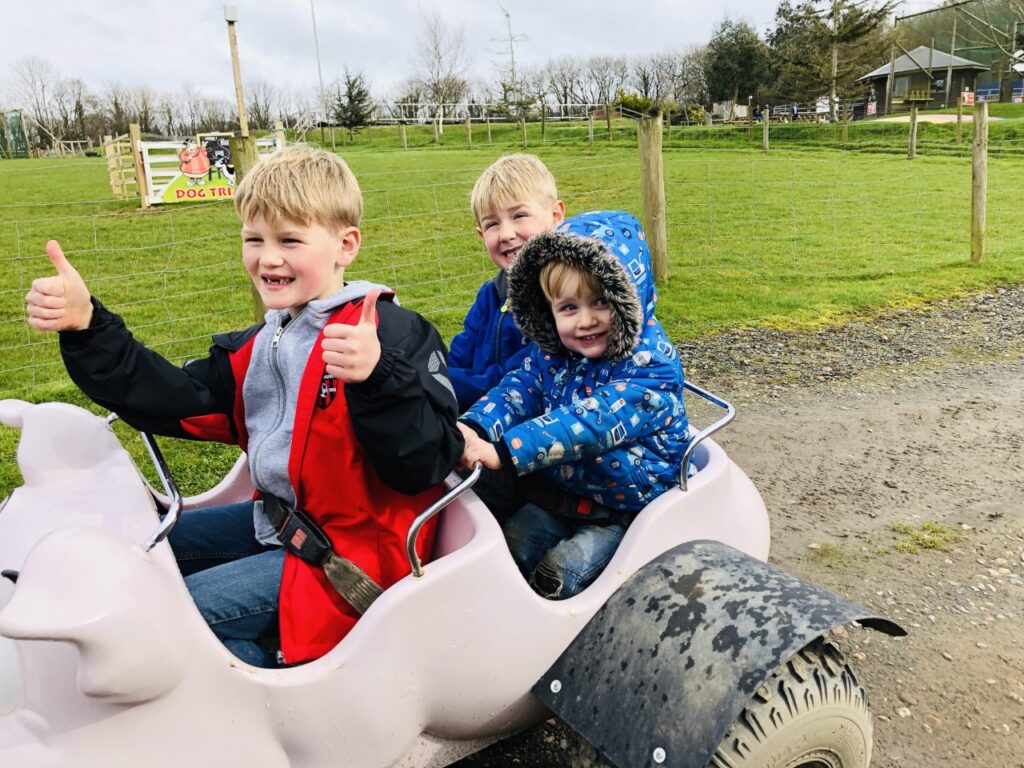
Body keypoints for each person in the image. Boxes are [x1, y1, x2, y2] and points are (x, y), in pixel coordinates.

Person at [24, 145, 463, 668]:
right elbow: (174, 401)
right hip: (277, 526)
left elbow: (425, 463)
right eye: (254, 238)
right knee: (129, 547)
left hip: (351, 562)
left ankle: (277, 686)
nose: (268, 257)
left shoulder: (391, 335)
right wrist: (87, 326)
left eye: (289, 240)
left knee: (164, 615)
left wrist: (378, 380)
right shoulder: (265, 342)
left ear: (346, 246)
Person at [457, 210, 689, 599]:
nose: (585, 321)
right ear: (549, 311)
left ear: (628, 297)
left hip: (625, 512)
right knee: (506, 552)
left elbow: (588, 423)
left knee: (558, 573)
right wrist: (474, 427)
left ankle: (589, 640)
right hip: (563, 498)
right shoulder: (555, 352)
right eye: (568, 308)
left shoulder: (652, 369)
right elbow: (520, 388)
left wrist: (505, 451)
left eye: (600, 302)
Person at [449, 153, 565, 411]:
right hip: (479, 412)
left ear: (556, 215)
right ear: (481, 233)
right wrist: (437, 373)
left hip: (526, 422)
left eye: (519, 215)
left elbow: (518, 377)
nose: (506, 234)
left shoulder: (563, 298)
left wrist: (440, 383)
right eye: (492, 224)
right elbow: (462, 350)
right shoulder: (492, 293)